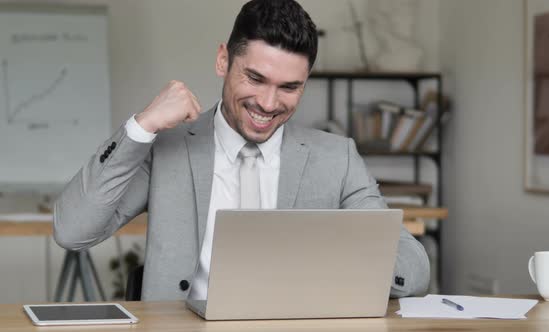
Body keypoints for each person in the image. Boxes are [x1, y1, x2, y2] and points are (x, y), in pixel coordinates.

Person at [53, 0, 429, 301]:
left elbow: (413, 267)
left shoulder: (337, 158)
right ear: (223, 60)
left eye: (289, 87)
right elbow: (72, 230)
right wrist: (142, 126)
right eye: (255, 78)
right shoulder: (167, 148)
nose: (268, 103)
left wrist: (328, 257)